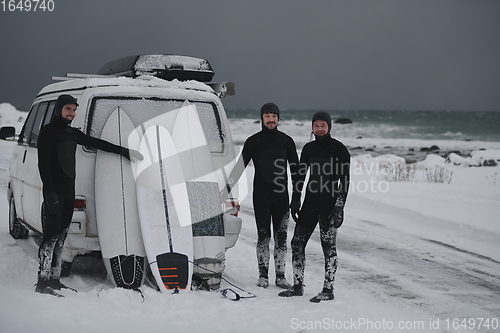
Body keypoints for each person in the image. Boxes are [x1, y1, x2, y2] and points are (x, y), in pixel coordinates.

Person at [36, 94, 142, 297]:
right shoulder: (48, 133)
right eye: (68, 109)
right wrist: (50, 194)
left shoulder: (71, 133)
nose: (71, 114)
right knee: (50, 238)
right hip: (54, 193)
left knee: (62, 237)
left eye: (74, 110)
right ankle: (42, 280)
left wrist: (124, 151)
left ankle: (55, 278)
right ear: (59, 109)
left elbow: (97, 143)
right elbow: (43, 166)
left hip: (68, 192)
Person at [279, 111, 350, 302]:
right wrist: (296, 198)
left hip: (329, 203)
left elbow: (345, 180)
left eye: (323, 125)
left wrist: (339, 206)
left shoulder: (339, 149)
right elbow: (301, 175)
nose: (319, 129)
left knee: (329, 247)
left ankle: (328, 290)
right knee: (297, 243)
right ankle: (298, 286)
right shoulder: (309, 149)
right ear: (312, 127)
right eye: (316, 125)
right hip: (310, 203)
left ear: (329, 126)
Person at [226, 102, 299, 289]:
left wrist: (297, 197)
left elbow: (297, 171)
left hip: (281, 197)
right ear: (262, 118)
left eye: (274, 116)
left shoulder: (286, 141)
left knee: (281, 238)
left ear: (278, 118)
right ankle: (263, 275)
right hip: (261, 198)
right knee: (263, 237)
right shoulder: (254, 141)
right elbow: (240, 166)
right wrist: (227, 188)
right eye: (267, 116)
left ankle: (281, 276)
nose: (271, 119)